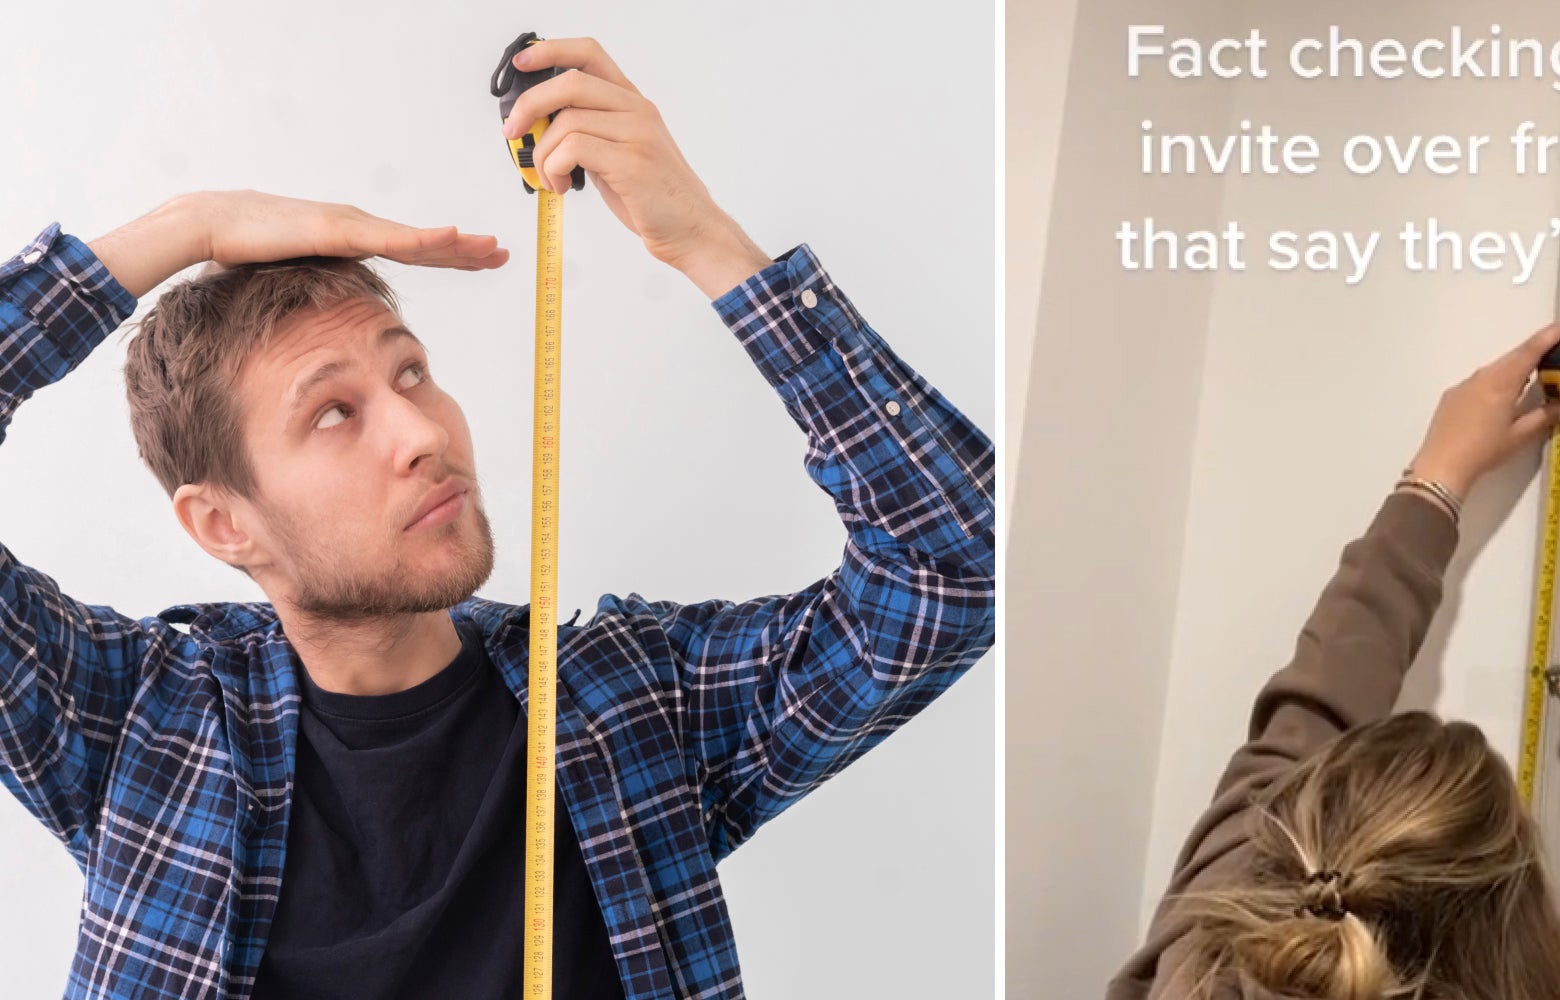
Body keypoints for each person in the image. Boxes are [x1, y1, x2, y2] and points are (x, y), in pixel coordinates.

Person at [0, 36, 993, 1000]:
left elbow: (952, 571)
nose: (423, 431)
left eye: (412, 372)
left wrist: (703, 241)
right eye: (334, 412)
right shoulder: (133, 727)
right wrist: (191, 225)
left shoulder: (629, 707)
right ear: (224, 524)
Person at [1106, 322, 1560, 1000]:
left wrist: (1435, 478)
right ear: (1510, 933)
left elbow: (1299, 728)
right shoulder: (1215, 926)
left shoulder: (1199, 962)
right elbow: (1302, 726)